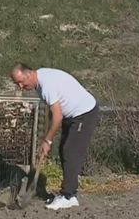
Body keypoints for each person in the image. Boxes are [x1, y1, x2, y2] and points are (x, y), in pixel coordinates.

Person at [10, 62, 100, 210]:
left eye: (21, 82)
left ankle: (68, 196)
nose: (20, 87)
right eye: (16, 84)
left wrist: (47, 141)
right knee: (63, 150)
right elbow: (53, 113)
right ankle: (68, 193)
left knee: (70, 151)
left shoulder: (46, 86)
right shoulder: (39, 82)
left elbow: (57, 117)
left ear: (29, 74)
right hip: (71, 115)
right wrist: (46, 141)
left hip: (84, 113)